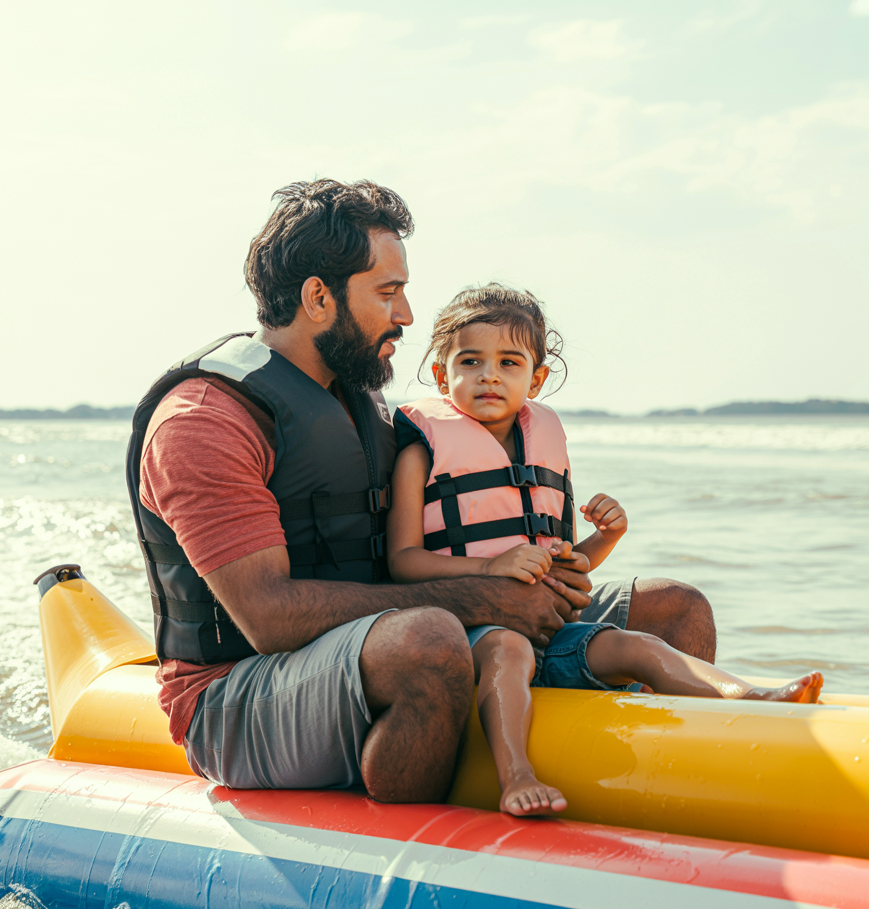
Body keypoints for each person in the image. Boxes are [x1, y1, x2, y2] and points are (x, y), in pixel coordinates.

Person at [126, 178, 720, 804]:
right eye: (389, 293)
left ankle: (670, 797)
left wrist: (549, 575)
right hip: (239, 694)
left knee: (673, 607)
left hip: (398, 632)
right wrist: (481, 598)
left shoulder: (373, 411)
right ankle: (419, 844)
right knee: (430, 641)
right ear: (319, 297)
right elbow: (269, 617)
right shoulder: (205, 422)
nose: (407, 315)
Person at [387, 284, 824, 816]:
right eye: (471, 361)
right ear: (441, 375)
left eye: (509, 362)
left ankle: (749, 699)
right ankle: (516, 777)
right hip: (479, 634)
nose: (489, 376)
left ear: (536, 378)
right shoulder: (420, 455)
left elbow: (568, 567)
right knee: (510, 651)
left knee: (638, 645)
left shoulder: (538, 446)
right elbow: (402, 561)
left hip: (556, 630)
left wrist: (606, 538)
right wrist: (489, 566)